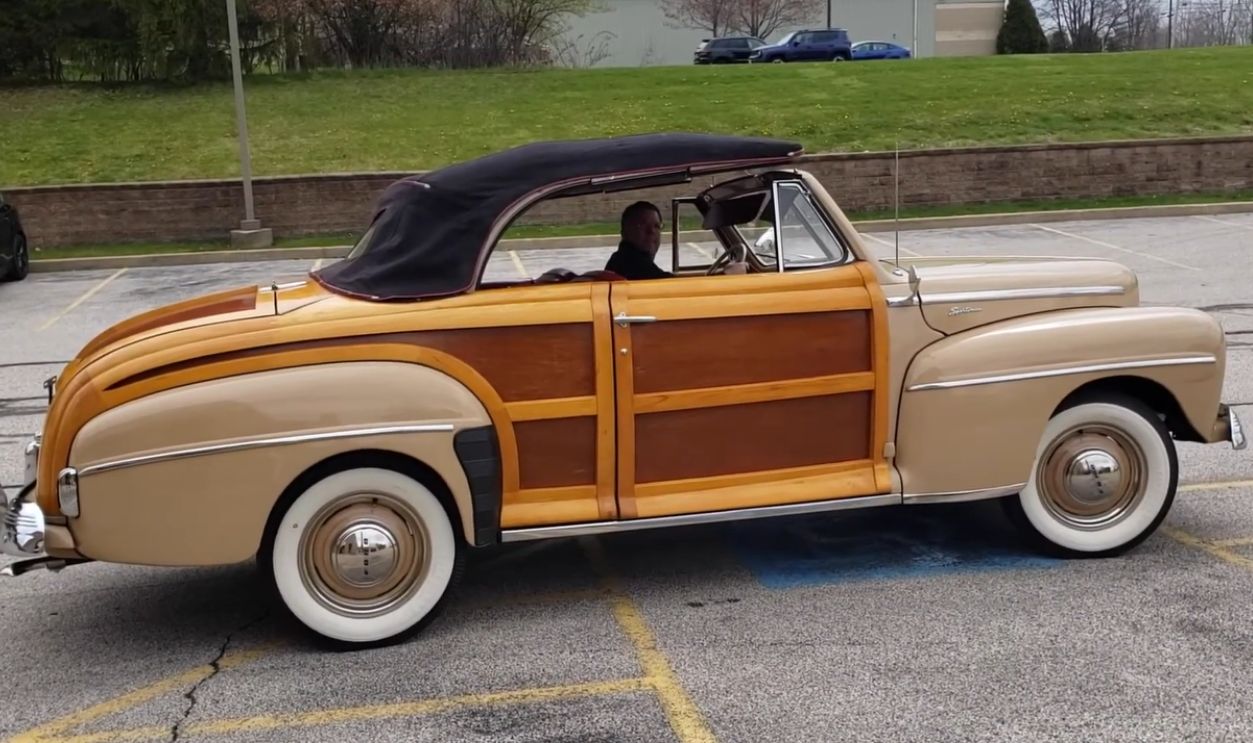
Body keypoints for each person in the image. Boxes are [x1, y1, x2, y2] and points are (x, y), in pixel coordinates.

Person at [605, 201, 746, 280]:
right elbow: (669, 284)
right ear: (624, 232)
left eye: (656, 226)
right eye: (641, 225)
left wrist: (713, 275)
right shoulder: (631, 262)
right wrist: (723, 277)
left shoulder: (626, 259)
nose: (651, 232)